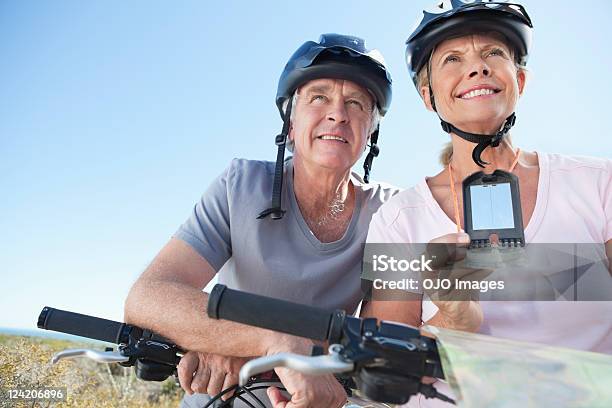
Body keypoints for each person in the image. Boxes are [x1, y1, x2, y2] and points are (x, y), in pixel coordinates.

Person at [124, 33, 399, 408]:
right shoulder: (240, 184)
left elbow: (383, 338)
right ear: (290, 120)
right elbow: (148, 297)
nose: (337, 113)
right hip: (225, 398)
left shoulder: (391, 210)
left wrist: (234, 339)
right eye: (319, 97)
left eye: (356, 103)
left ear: (370, 132)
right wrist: (263, 340)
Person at [362, 1, 612, 406]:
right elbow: (385, 371)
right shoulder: (397, 220)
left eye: (493, 53)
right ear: (428, 97)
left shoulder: (600, 184)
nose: (476, 68)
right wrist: (454, 319)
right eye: (453, 59)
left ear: (521, 80)